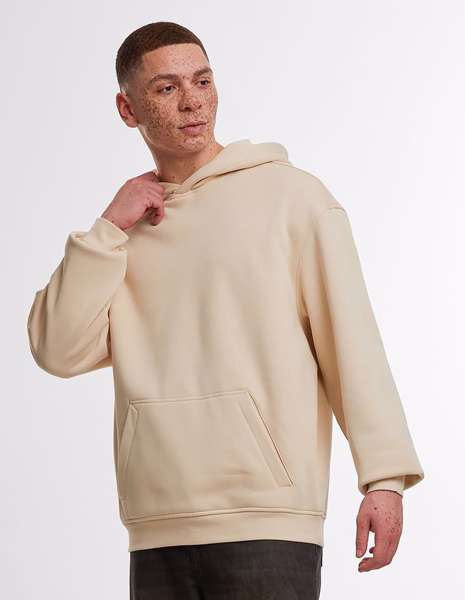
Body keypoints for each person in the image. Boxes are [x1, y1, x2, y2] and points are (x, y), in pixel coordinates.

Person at [26, 21, 425, 600]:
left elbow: (352, 342)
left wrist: (384, 478)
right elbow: (56, 350)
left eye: (203, 80)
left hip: (269, 519)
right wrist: (108, 228)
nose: (192, 102)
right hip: (157, 523)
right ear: (127, 109)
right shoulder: (124, 234)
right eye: (166, 88)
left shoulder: (293, 199)